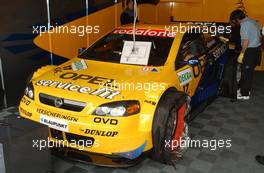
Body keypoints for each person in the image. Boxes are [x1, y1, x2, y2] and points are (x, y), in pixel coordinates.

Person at [230, 10, 262, 100]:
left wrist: (242, 53)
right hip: (256, 50)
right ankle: (247, 90)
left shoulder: (244, 25)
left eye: (234, 20)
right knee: (249, 72)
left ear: (237, 19)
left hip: (250, 51)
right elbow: (260, 35)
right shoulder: (252, 21)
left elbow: (246, 41)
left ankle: (244, 94)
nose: (234, 22)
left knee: (245, 72)